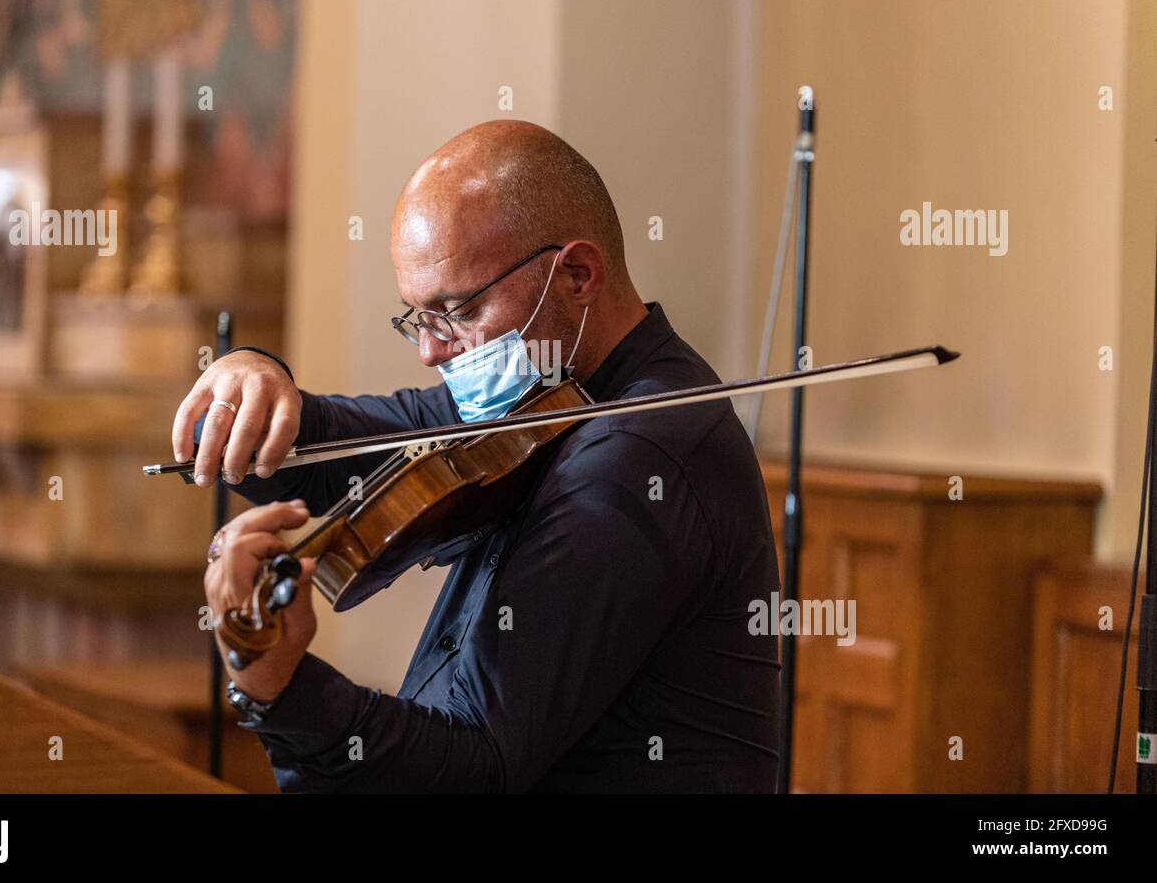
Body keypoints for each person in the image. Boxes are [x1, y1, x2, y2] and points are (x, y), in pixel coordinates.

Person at [177, 119, 780, 792]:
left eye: (455, 309)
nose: (431, 350)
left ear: (578, 275)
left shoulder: (638, 458)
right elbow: (335, 448)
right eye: (416, 317)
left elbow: (479, 766)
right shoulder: (535, 400)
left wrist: (279, 689)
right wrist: (250, 383)